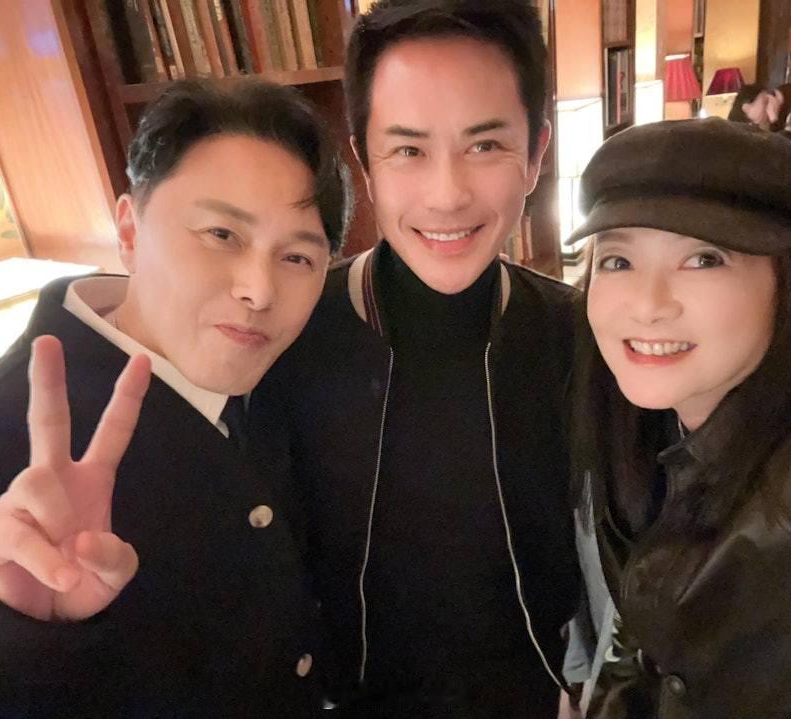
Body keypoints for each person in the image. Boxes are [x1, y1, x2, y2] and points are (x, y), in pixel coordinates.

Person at [0, 79, 352, 717]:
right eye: (221, 234)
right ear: (129, 229)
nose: (259, 291)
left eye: (297, 258)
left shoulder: (275, 374)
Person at [254, 1, 581, 716]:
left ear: (536, 154)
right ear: (364, 163)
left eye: (485, 145)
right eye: (408, 150)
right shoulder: (286, 336)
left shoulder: (583, 338)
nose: (447, 195)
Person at [566, 117, 791, 718]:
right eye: (618, 261)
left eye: (704, 259)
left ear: (790, 283)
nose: (648, 305)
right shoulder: (646, 430)